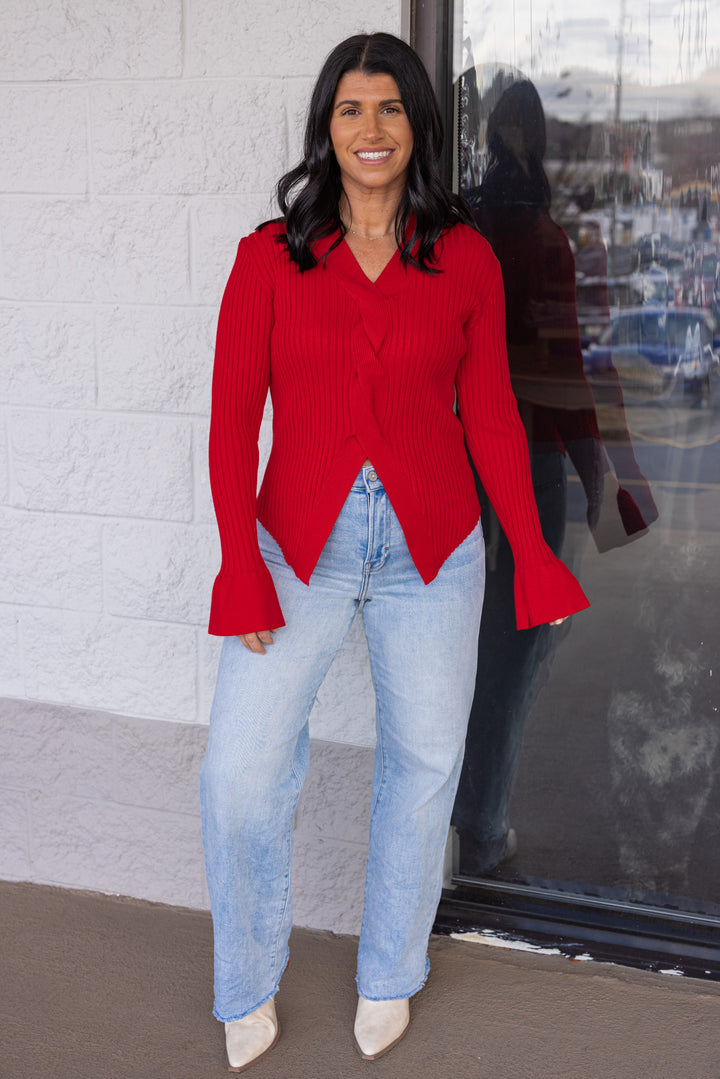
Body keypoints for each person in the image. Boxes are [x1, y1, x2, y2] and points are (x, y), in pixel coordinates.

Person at [200, 33, 589, 1072]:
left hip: (436, 547)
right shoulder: (267, 258)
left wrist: (535, 554)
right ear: (325, 129)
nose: (370, 131)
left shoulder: (462, 256)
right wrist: (240, 564)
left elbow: (495, 416)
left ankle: (390, 971)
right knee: (240, 772)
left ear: (418, 126)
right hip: (295, 550)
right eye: (349, 111)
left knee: (423, 767)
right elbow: (233, 421)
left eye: (390, 110)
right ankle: (245, 978)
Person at [452, 79, 657, 876]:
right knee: (518, 645)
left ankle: (460, 816)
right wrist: (607, 486)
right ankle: (483, 823)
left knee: (460, 644)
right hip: (525, 465)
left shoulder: (460, 227)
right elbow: (568, 372)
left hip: (455, 458)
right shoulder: (540, 239)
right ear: (537, 141)